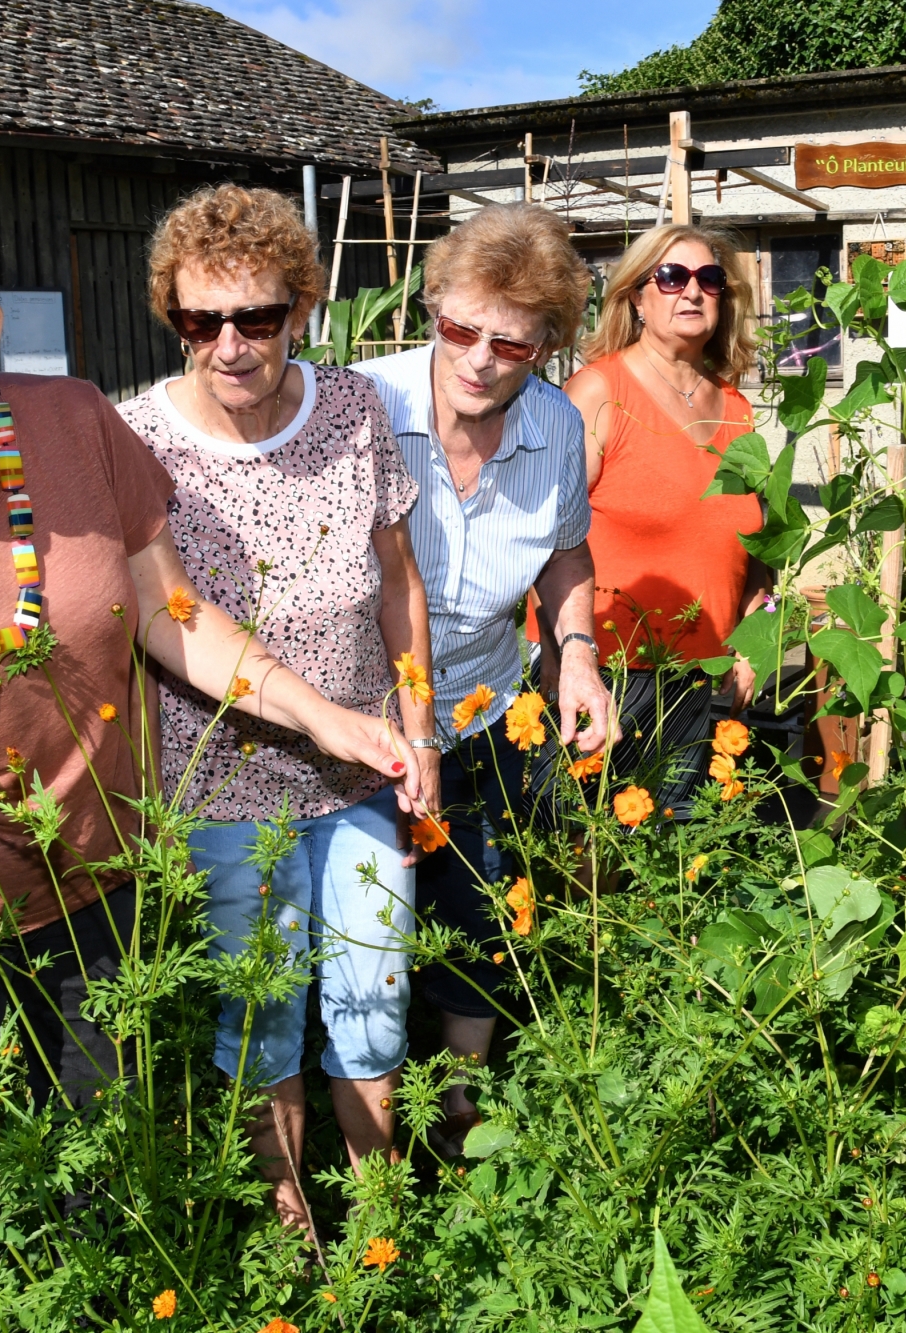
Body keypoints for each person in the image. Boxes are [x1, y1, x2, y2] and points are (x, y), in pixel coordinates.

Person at [0, 158, 419, 1279]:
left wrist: (324, 717)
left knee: (102, 1173)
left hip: (101, 885)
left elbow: (174, 614)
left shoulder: (68, 427)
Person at [115, 184, 435, 1237]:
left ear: (301, 307)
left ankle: (379, 1217)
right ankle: (287, 1228)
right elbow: (168, 614)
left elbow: (397, 578)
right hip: (221, 789)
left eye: (255, 317)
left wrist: (418, 723)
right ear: (173, 320)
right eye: (200, 321)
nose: (230, 344)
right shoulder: (136, 441)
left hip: (361, 771)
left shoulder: (350, 412)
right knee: (257, 1017)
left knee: (373, 999)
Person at [357, 204, 610, 1148]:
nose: (477, 359)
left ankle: (460, 1117)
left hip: (488, 710)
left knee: (476, 910)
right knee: (366, 938)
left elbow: (566, 559)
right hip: (366, 724)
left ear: (546, 345)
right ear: (432, 312)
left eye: (510, 341)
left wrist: (575, 650)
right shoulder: (364, 406)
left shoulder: (555, 428)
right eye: (459, 329)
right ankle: (362, 1140)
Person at [564, 224, 771, 811]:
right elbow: (549, 542)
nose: (692, 292)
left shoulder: (735, 408)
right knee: (595, 854)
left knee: (674, 865)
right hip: (615, 675)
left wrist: (752, 644)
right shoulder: (600, 393)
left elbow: (756, 547)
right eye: (672, 277)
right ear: (636, 295)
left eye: (709, 279)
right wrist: (570, 663)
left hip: (706, 675)